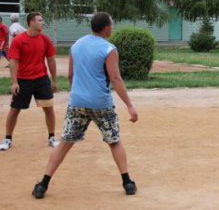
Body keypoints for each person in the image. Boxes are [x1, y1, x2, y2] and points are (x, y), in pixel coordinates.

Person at [32, 12, 139, 199]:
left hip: (77, 103)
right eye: (111, 25)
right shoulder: (109, 49)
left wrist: (78, 95)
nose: (112, 28)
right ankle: (127, 182)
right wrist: (130, 105)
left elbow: (71, 75)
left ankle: (43, 184)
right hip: (101, 104)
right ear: (106, 27)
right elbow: (115, 79)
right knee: (114, 141)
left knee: (65, 142)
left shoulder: (77, 45)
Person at [0, 12, 59, 151]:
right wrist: (14, 82)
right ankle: (7, 139)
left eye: (42, 20)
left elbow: (51, 60)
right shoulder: (19, 40)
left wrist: (54, 80)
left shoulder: (45, 39)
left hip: (41, 79)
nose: (42, 22)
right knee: (14, 110)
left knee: (49, 108)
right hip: (23, 80)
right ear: (31, 22)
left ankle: (52, 137)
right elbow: (13, 61)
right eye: (40, 20)